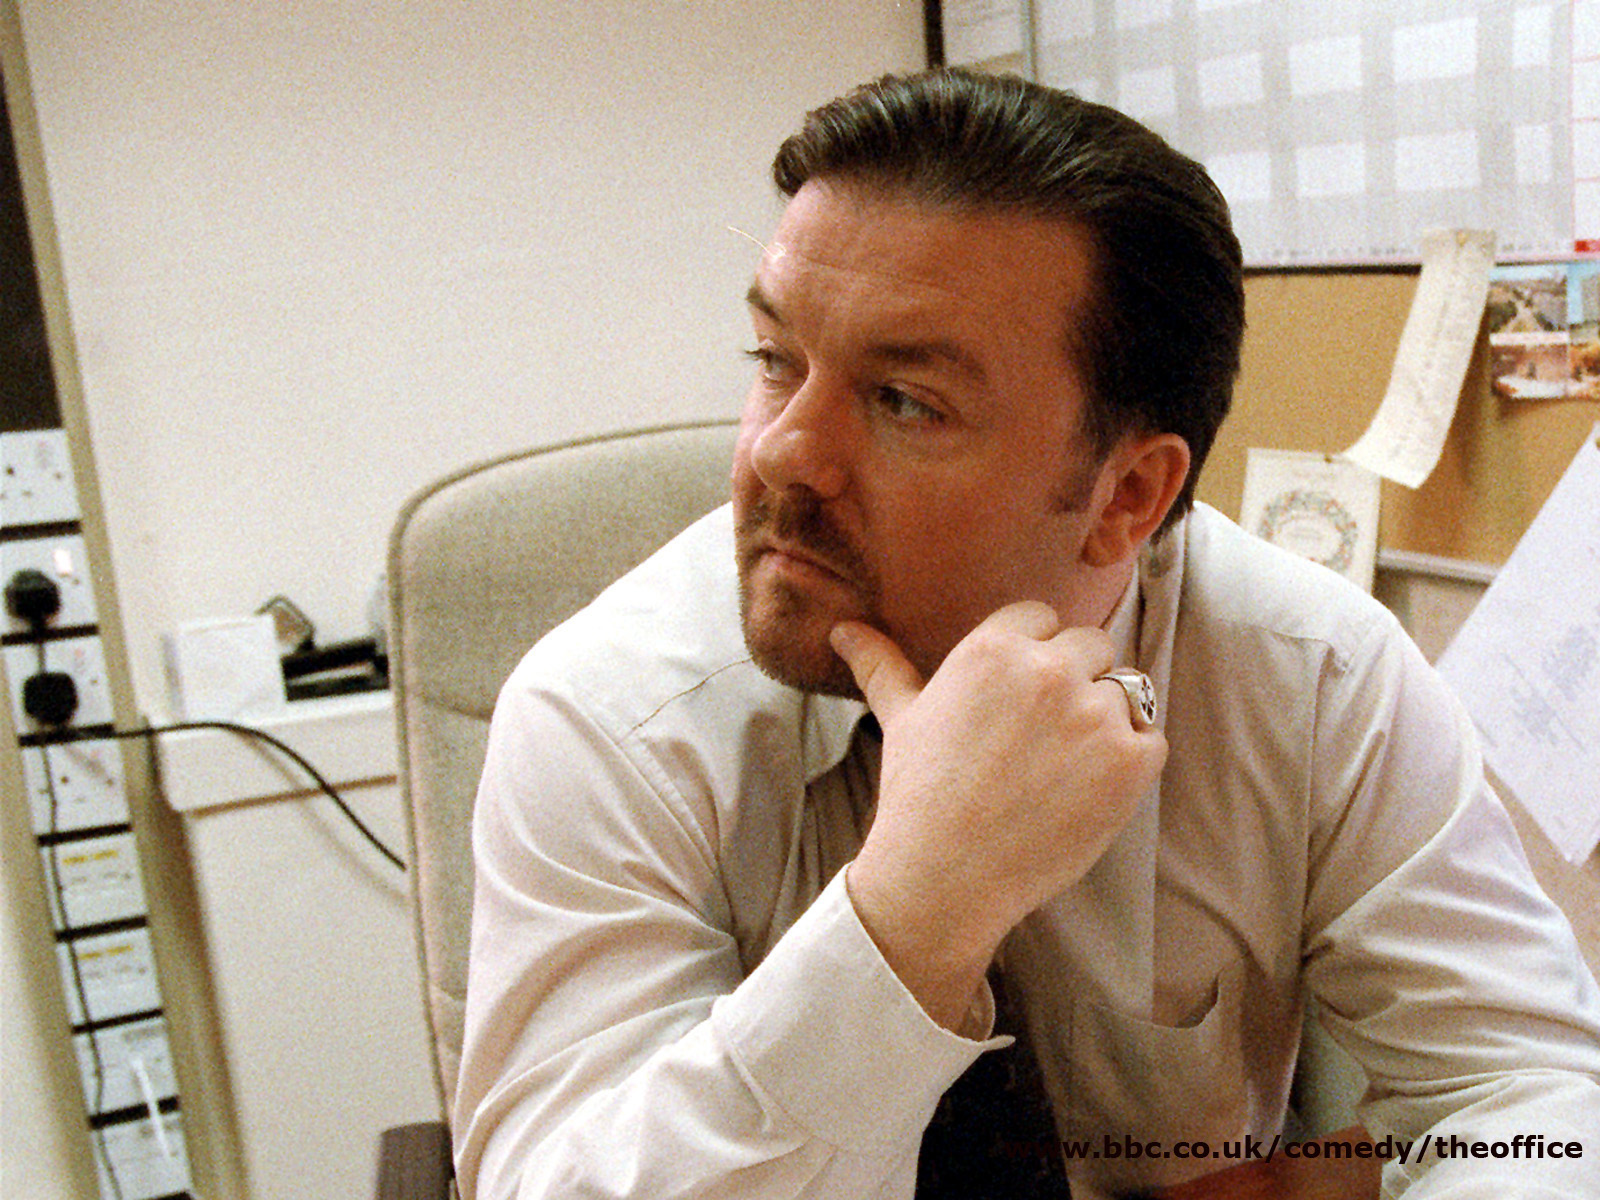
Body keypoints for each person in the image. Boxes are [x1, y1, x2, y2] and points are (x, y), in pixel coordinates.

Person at [452, 69, 1600, 1198]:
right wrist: (912, 914)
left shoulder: (1310, 678)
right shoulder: (612, 713)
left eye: (904, 400)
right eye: (775, 362)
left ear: (1127, 497)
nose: (781, 451)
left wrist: (1346, 1181)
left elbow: (1534, 1103)